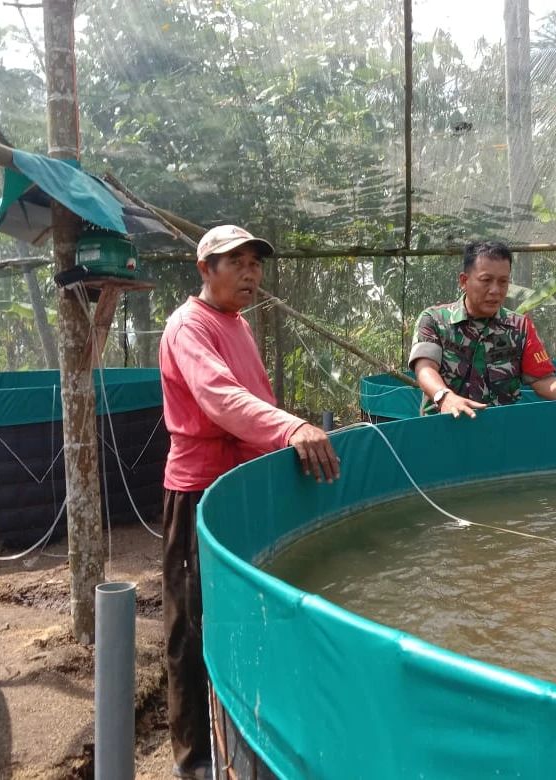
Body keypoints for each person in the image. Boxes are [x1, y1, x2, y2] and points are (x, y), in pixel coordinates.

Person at [158, 224, 340, 780]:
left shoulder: (237, 323)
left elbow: (251, 396)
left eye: (255, 263)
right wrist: (291, 428)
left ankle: (240, 733)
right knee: (192, 628)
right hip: (197, 492)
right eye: (235, 261)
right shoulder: (189, 325)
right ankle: (195, 760)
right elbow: (220, 399)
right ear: (205, 269)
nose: (249, 272)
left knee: (238, 614)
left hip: (239, 484)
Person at [409, 241, 556, 417]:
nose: (495, 290)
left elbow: (544, 382)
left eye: (503, 281)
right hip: (444, 430)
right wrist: (444, 397)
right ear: (464, 281)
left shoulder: (519, 326)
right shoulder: (435, 320)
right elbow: (425, 369)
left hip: (502, 435)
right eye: (486, 280)